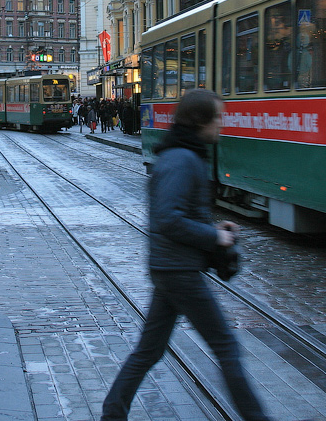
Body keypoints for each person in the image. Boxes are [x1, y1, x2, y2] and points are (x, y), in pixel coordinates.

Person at [100, 89, 271, 421]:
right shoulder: (182, 159)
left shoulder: (184, 154)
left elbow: (177, 213)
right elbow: (168, 218)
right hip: (178, 270)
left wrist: (214, 225)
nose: (223, 123)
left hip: (169, 268)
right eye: (218, 117)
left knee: (149, 350)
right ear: (200, 120)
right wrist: (215, 236)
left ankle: (113, 411)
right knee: (226, 346)